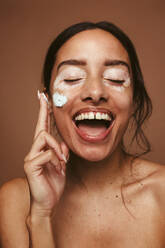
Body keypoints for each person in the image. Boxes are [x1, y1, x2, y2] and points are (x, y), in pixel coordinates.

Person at [0, 21, 164, 248]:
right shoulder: (15, 202)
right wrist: (41, 216)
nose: (95, 92)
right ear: (47, 101)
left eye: (116, 78)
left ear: (135, 100)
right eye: (71, 78)